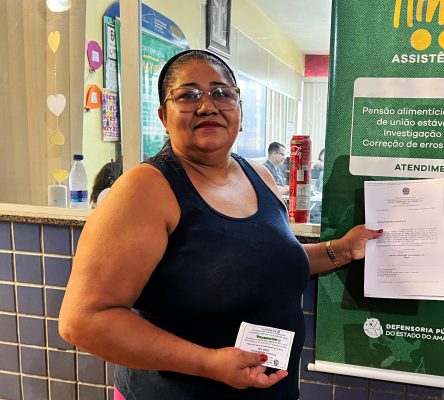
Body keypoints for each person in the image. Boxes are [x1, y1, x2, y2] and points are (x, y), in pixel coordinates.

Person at [58, 49, 383, 400]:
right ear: (163, 117)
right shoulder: (145, 190)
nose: (207, 106)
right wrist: (209, 362)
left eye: (222, 93)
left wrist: (342, 250)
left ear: (240, 113)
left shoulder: (258, 175)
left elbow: (264, 261)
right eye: (188, 95)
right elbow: (84, 321)